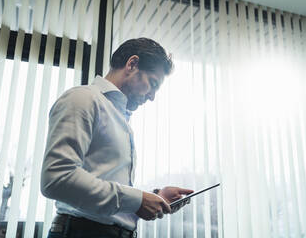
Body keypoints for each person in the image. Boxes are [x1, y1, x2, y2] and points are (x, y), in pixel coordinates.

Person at [41, 38, 193, 238]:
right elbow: (56, 179)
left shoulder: (121, 118)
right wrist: (137, 200)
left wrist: (155, 198)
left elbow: (107, 187)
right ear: (132, 64)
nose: (152, 97)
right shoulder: (83, 99)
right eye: (153, 84)